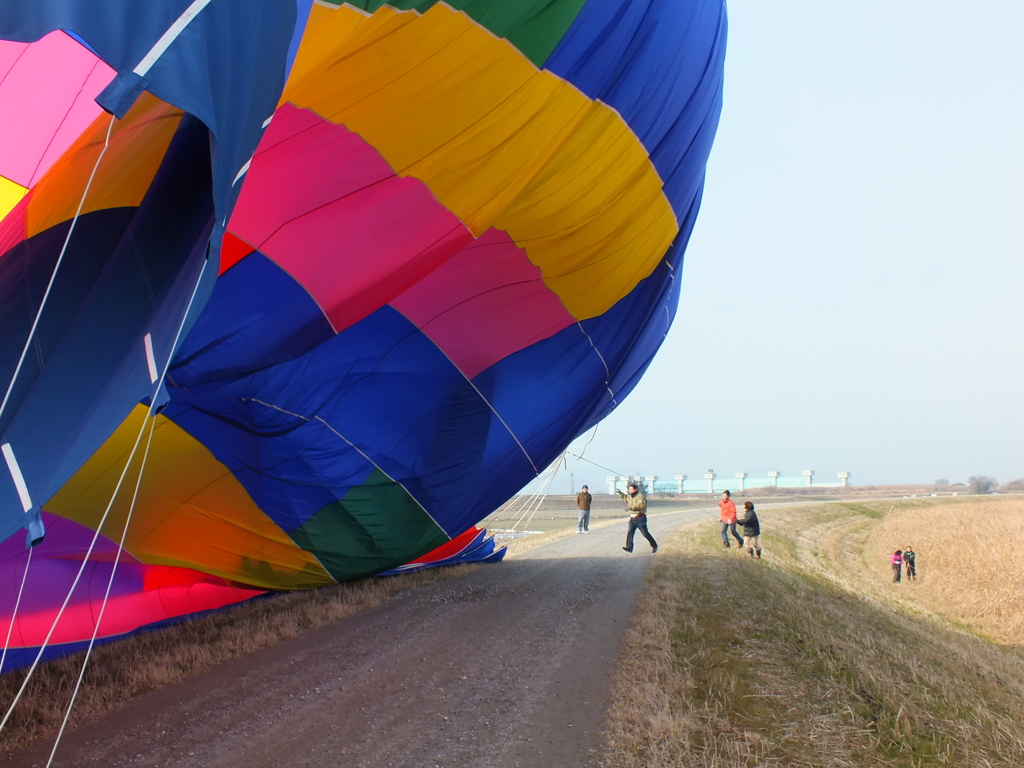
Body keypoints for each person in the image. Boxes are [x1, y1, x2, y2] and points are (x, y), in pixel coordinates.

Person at [618, 483, 657, 553]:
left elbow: (640, 506)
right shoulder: (630, 497)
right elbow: (626, 498)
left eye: (631, 489)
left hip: (640, 518)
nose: (629, 491)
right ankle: (629, 547)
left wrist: (631, 508)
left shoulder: (640, 497)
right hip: (632, 518)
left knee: (645, 533)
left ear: (636, 489)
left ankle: (654, 545)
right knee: (630, 533)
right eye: (629, 489)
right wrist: (621, 494)